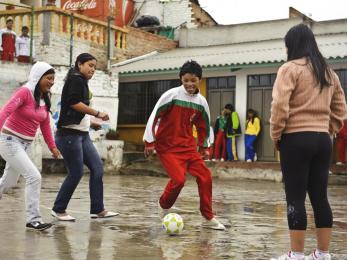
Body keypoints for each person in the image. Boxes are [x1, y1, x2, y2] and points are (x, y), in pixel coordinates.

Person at [270, 24, 347, 260]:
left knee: (295, 197)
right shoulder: (328, 72)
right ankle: (323, 254)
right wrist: (327, 129)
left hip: (295, 139)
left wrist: (276, 135)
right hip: (323, 141)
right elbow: (341, 109)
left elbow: (279, 106)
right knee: (320, 197)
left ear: (292, 45)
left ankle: (296, 255)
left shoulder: (290, 69)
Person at [143, 60, 225, 230]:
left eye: (193, 80)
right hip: (167, 147)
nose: (189, 84)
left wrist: (204, 147)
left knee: (206, 176)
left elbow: (203, 125)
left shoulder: (201, 102)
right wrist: (149, 141)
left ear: (199, 80)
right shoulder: (171, 95)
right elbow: (155, 115)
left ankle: (208, 217)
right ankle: (164, 205)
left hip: (188, 147)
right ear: (181, 79)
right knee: (179, 180)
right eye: (186, 80)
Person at [51, 53, 118, 221]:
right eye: (89, 65)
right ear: (79, 65)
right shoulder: (76, 79)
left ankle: (98, 209)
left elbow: (76, 108)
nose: (93, 69)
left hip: (82, 134)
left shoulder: (81, 81)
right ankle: (58, 209)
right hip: (69, 135)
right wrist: (97, 114)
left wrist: (91, 123)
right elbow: (74, 103)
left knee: (97, 168)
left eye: (94, 67)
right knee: (76, 172)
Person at [0, 61, 60, 231]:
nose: (51, 82)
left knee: (9, 182)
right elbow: (6, 110)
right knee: (35, 176)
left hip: (26, 144)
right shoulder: (25, 92)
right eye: (48, 78)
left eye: (53, 79)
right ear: (38, 77)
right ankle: (33, 220)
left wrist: (52, 146)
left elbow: (45, 124)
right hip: (9, 141)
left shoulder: (44, 98)